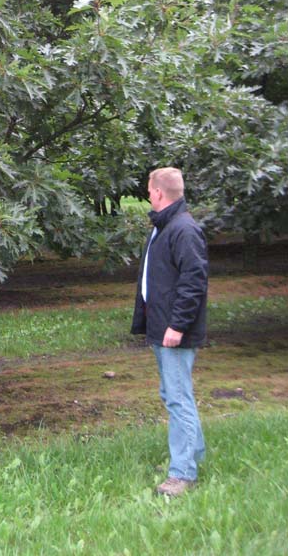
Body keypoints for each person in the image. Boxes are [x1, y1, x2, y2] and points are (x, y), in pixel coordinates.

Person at [131, 167, 208, 497]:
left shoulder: (183, 230)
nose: (148, 194)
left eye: (150, 189)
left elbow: (194, 282)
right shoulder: (163, 226)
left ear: (159, 193)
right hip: (161, 326)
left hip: (174, 329)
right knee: (175, 394)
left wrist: (177, 325)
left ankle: (182, 474)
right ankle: (194, 455)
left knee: (178, 399)